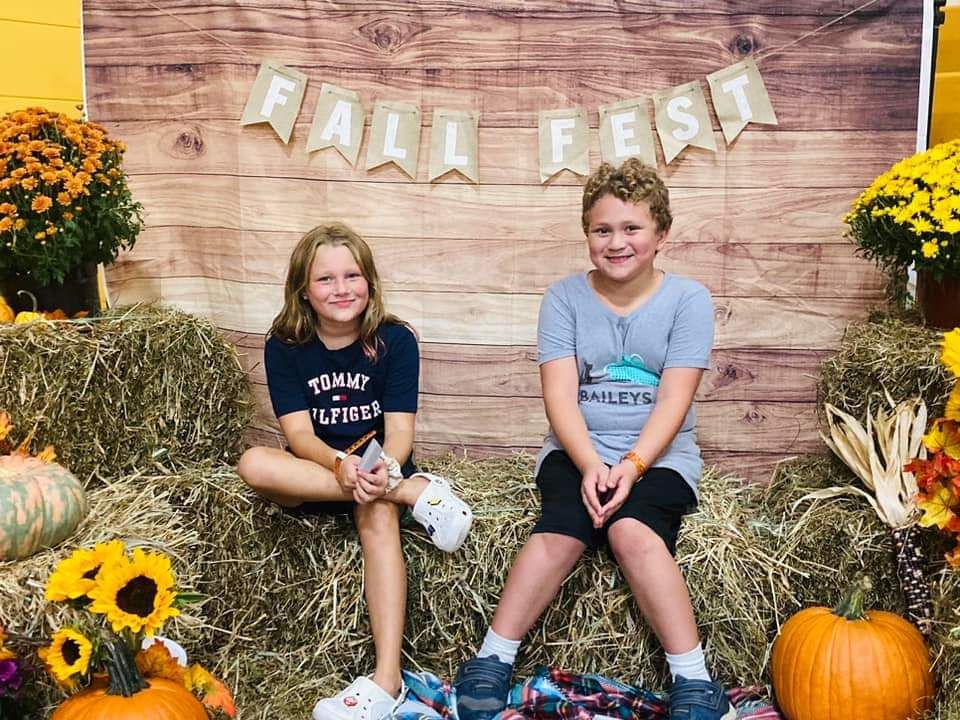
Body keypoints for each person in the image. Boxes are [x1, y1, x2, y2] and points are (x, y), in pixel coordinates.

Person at [453, 159, 733, 720]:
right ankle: (493, 656)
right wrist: (587, 464)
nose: (617, 242)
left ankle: (694, 678)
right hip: (575, 448)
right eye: (602, 229)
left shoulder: (688, 300)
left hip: (658, 455)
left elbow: (675, 400)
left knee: (633, 532)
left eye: (632, 229)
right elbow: (560, 397)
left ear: (661, 235)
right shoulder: (563, 299)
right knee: (562, 528)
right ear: (586, 234)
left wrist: (630, 465)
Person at [237, 222, 473, 720]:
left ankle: (387, 680)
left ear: (370, 281)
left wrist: (377, 471)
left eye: (353, 275)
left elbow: (401, 432)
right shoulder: (285, 344)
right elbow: (299, 436)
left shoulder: (395, 339)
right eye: (326, 279)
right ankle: (414, 494)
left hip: (378, 466)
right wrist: (339, 465)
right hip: (318, 469)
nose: (342, 289)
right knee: (253, 462)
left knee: (376, 513)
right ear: (303, 288)